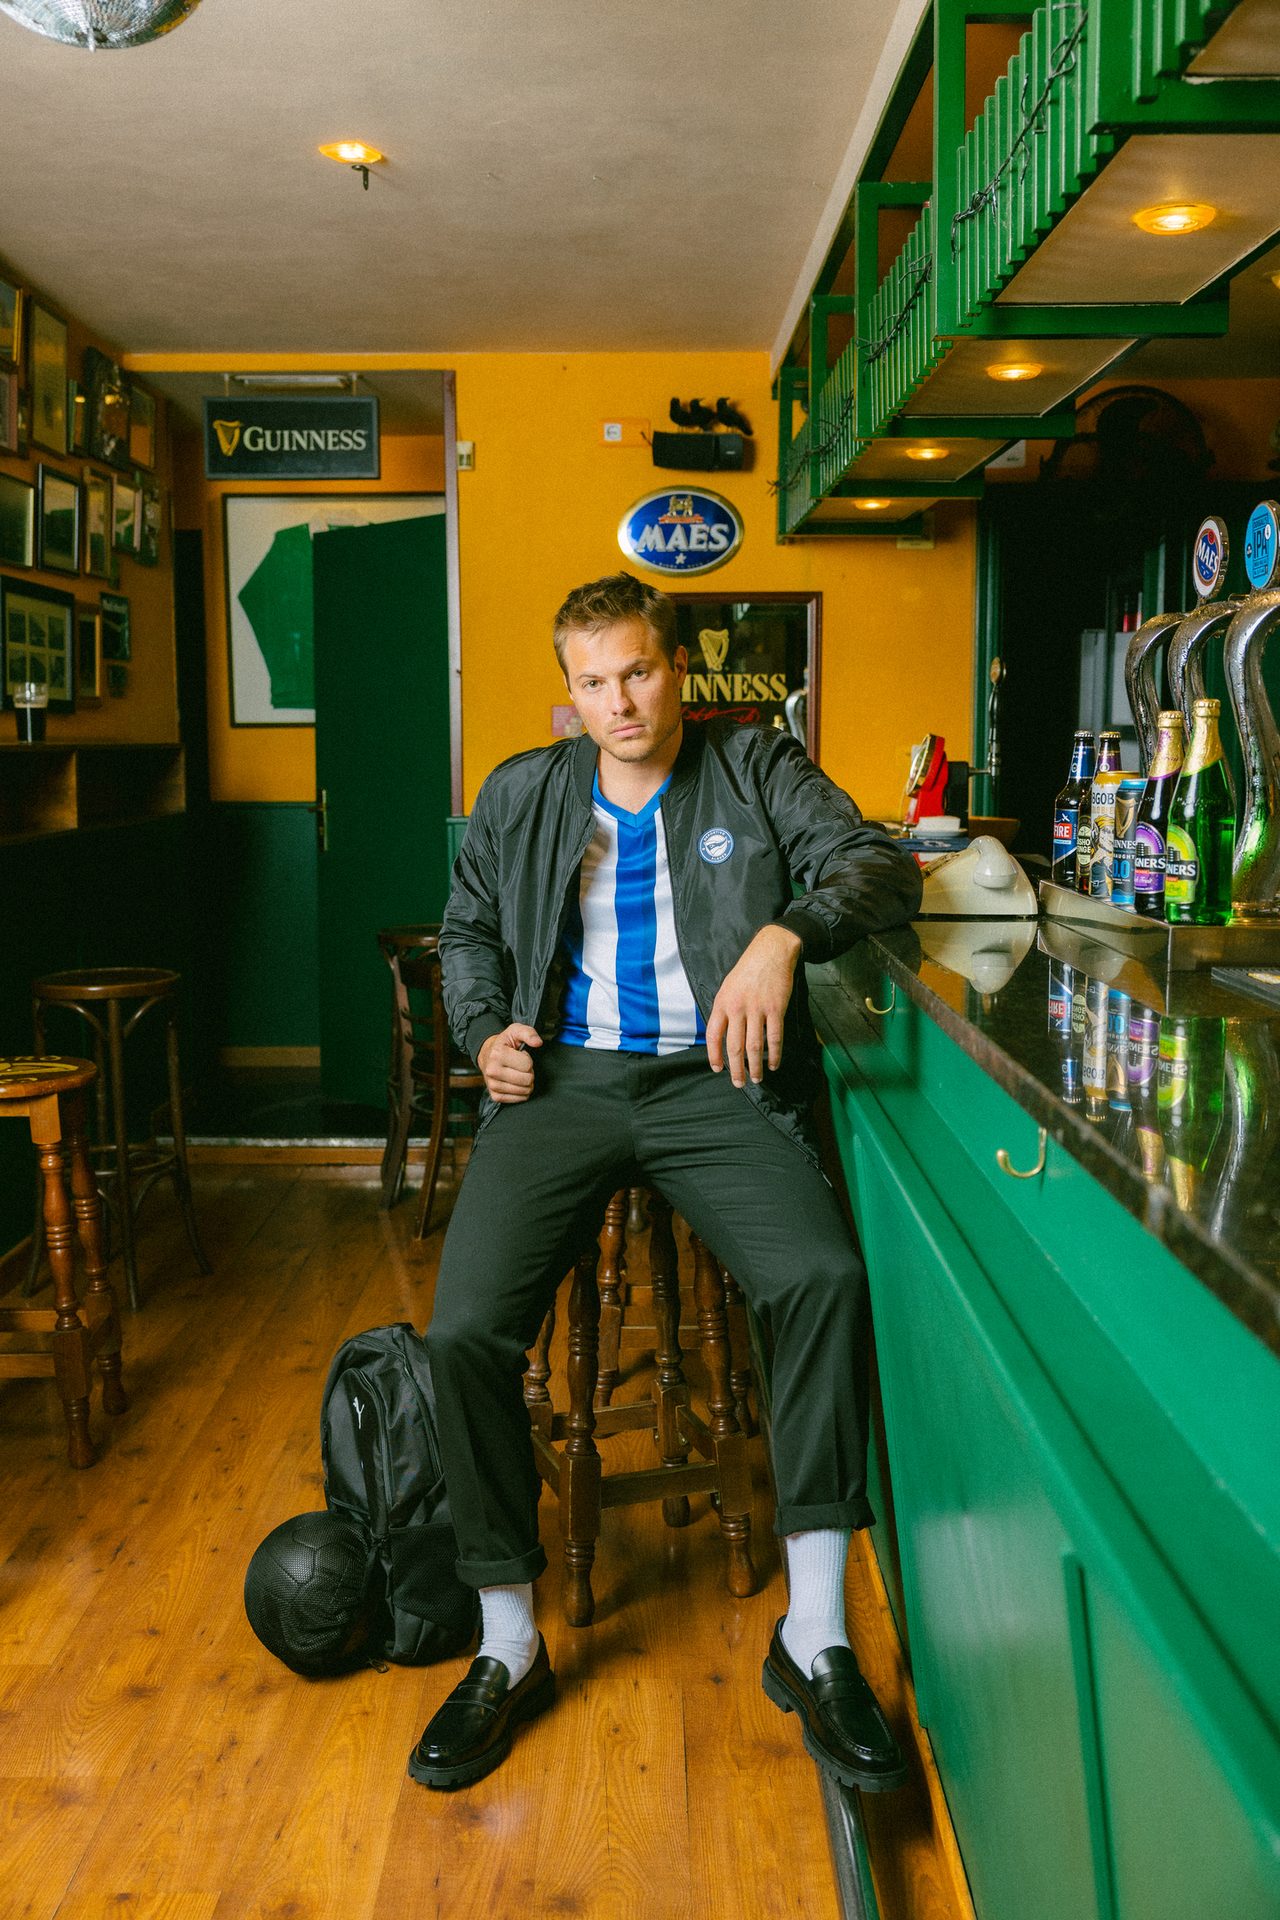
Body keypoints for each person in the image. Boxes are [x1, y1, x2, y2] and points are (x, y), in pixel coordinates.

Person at [408, 571, 922, 1793]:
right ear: (568, 692)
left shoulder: (755, 769)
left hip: (712, 1083)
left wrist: (781, 935)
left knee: (819, 1279)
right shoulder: (522, 792)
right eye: (591, 682)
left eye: (636, 671)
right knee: (466, 1334)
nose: (617, 700)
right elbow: (467, 929)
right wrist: (485, 1031)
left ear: (676, 668)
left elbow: (874, 862)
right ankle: (508, 1644)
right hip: (563, 1083)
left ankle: (816, 1633)